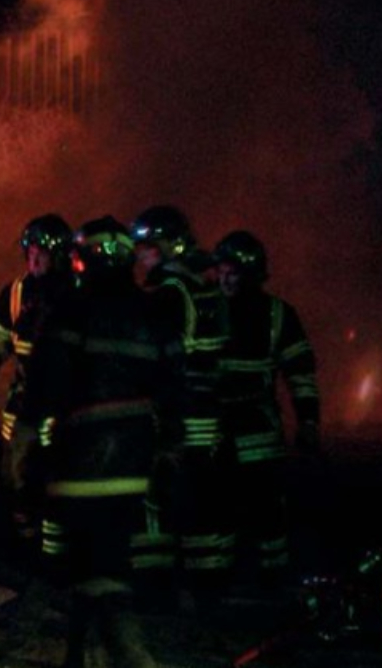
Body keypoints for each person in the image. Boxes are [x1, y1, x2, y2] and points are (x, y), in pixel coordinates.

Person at [21, 216, 185, 668]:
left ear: (83, 259)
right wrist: (170, 450)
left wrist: (25, 441)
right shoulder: (154, 313)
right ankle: (88, 654)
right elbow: (174, 387)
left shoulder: (71, 309)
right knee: (105, 562)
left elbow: (44, 382)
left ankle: (128, 654)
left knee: (92, 568)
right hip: (132, 467)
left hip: (78, 467)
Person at [130, 204, 234, 606]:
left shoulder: (169, 293)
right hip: (208, 412)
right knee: (202, 503)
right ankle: (209, 589)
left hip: (177, 413)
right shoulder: (203, 286)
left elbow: (159, 357)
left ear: (169, 247)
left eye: (148, 248)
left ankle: (154, 589)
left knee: (156, 499)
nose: (141, 256)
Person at [213, 230, 320, 585]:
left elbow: (300, 374)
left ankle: (273, 578)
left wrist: (308, 422)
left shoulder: (277, 314)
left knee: (266, 507)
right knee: (216, 504)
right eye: (222, 270)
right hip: (212, 424)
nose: (226, 278)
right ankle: (219, 580)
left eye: (234, 272)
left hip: (257, 425)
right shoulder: (205, 308)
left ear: (253, 274)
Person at [0, 213, 76, 546]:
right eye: (29, 251)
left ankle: (57, 550)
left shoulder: (77, 294)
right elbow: (0, 334)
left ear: (59, 256)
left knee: (60, 479)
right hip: (25, 403)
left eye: (41, 252)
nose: (33, 258)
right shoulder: (16, 292)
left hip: (66, 404)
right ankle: (27, 549)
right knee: (17, 478)